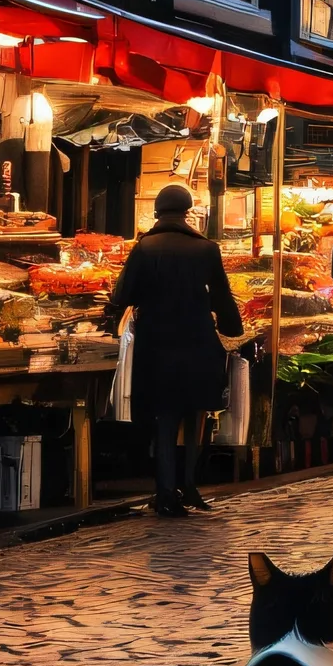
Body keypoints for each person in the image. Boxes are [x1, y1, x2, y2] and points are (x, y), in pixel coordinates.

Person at [106, 184, 243, 518]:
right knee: (195, 413)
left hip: (157, 344)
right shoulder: (207, 249)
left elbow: (123, 295)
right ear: (187, 211)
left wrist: (110, 320)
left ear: (157, 211)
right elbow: (222, 296)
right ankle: (190, 485)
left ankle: (166, 492)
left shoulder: (145, 248)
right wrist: (233, 330)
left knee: (165, 418)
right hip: (197, 341)